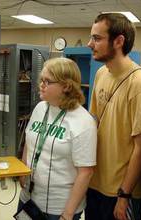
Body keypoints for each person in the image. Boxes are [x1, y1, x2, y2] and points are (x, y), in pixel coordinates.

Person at [86, 13, 141, 220]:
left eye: (97, 38)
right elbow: (93, 122)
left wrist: (124, 195)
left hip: (122, 191)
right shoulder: (101, 74)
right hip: (95, 184)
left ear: (119, 41)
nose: (90, 44)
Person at [17, 57, 97, 220]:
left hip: (58, 208)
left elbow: (86, 172)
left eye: (47, 81)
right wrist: (23, 172)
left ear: (66, 86)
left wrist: (67, 214)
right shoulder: (40, 108)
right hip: (28, 198)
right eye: (41, 80)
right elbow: (29, 142)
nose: (41, 85)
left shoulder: (83, 121)